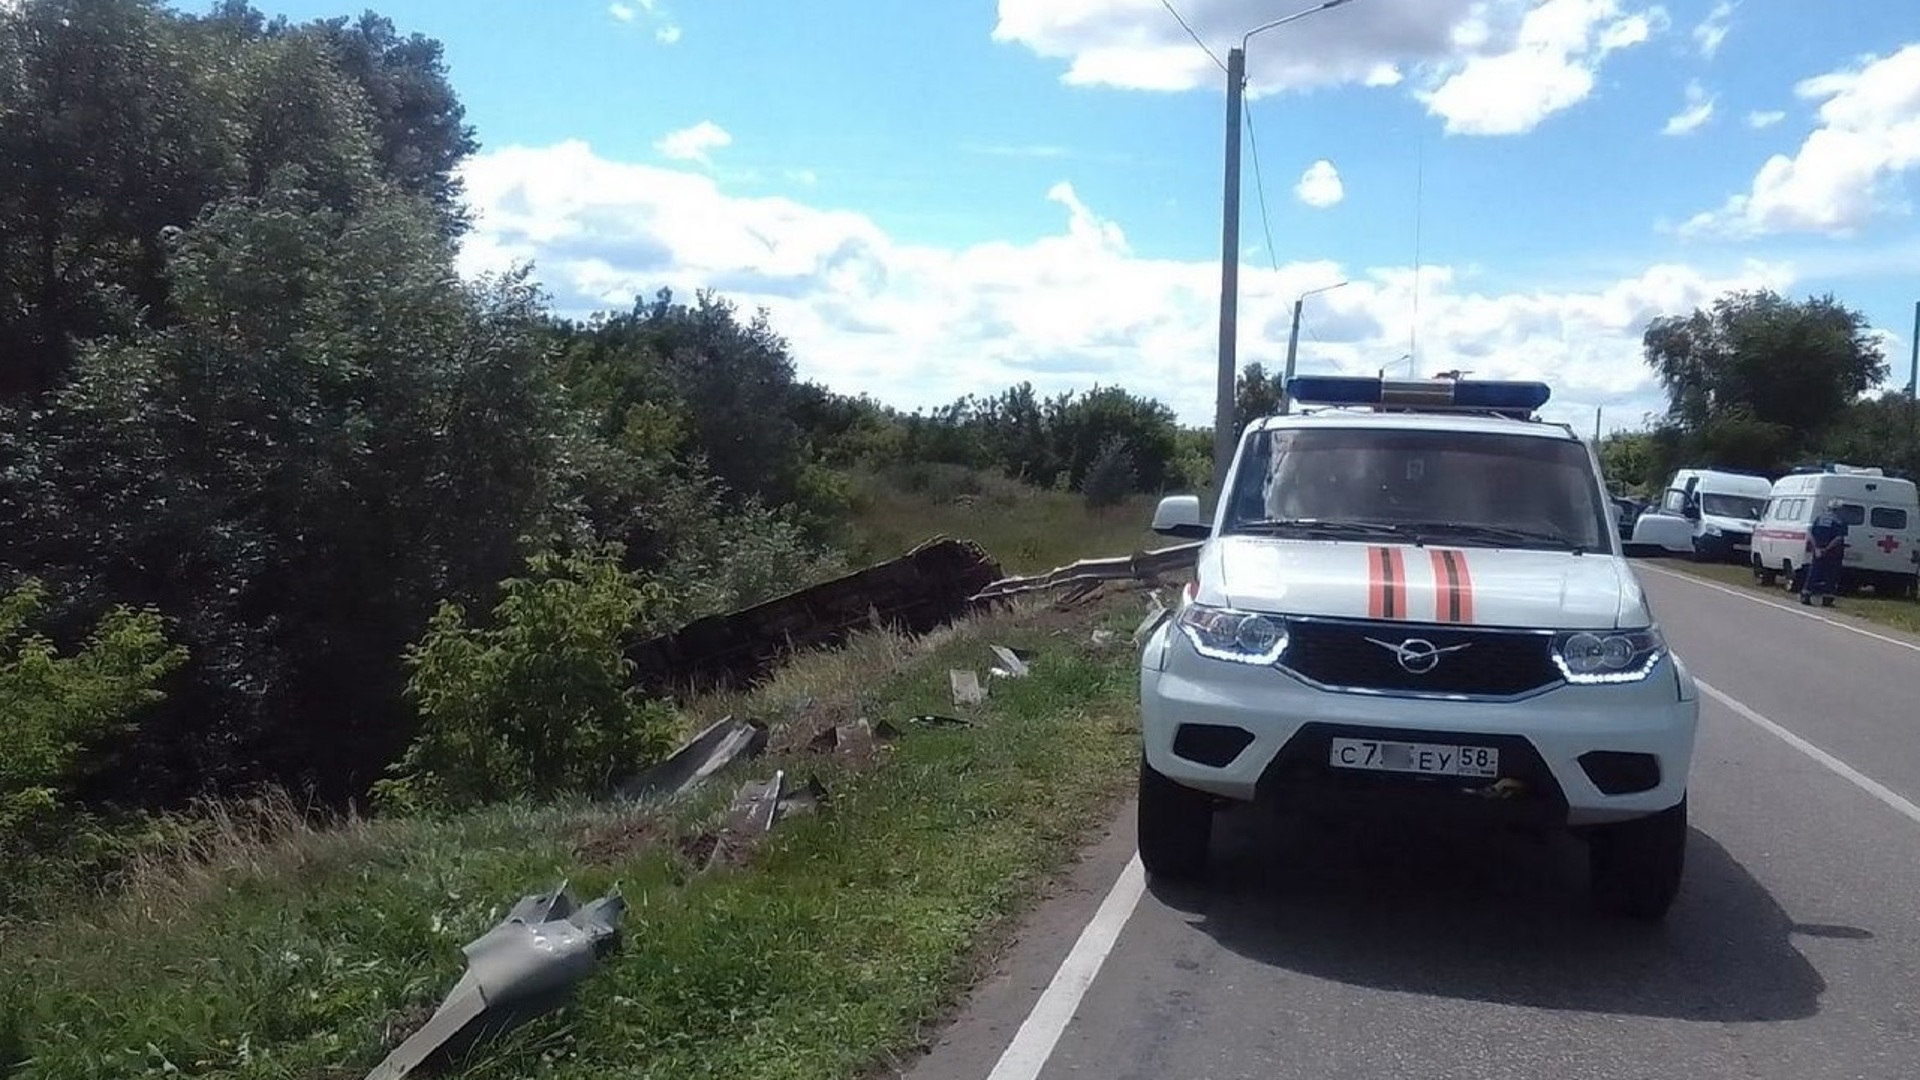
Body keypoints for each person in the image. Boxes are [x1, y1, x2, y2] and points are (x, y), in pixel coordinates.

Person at [1802, 498, 1849, 607]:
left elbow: (1810, 534)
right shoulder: (1840, 521)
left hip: (1818, 550)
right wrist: (1827, 549)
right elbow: (1838, 538)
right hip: (1833, 552)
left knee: (1814, 573)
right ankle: (1827, 599)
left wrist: (1817, 549)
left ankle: (1806, 595)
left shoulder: (1819, 518)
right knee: (1831, 575)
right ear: (1838, 510)